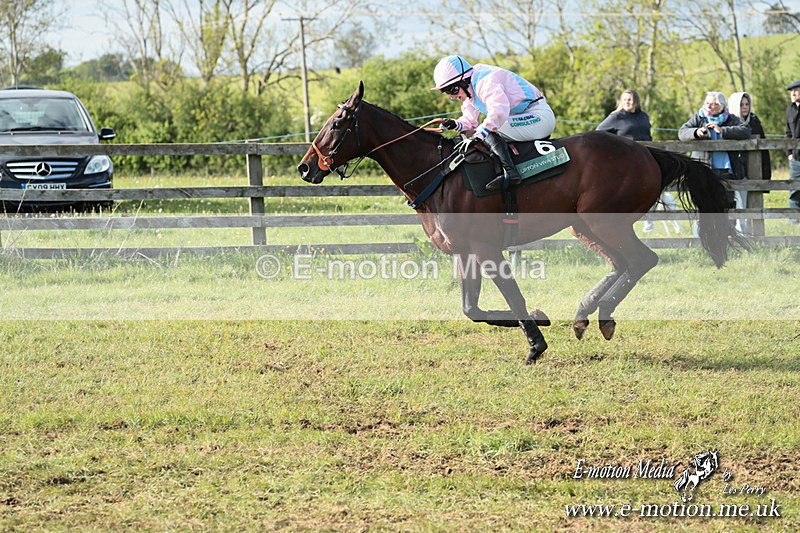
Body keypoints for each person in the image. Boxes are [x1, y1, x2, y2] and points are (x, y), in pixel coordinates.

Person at [432, 55, 556, 191]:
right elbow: (469, 121)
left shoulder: (485, 80)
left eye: (453, 90)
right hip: (521, 118)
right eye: (447, 92)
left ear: (464, 81)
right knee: (482, 130)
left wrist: (478, 134)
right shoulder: (470, 90)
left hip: (539, 116)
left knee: (488, 129)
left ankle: (510, 173)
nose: (452, 96)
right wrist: (454, 124)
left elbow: (498, 112)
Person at [596, 89, 680, 232]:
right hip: (627, 159)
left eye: (630, 99)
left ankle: (653, 220)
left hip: (647, 156)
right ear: (621, 101)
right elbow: (598, 133)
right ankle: (638, 222)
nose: (628, 102)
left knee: (653, 187)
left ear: (636, 101)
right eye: (625, 100)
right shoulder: (616, 117)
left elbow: (648, 136)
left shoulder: (643, 116)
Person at [679, 92, 750, 232]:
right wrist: (696, 132)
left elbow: (745, 131)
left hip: (726, 170)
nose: (710, 106)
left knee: (727, 204)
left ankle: (727, 235)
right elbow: (682, 133)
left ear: (722, 106)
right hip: (703, 169)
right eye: (708, 103)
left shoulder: (731, 119)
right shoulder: (699, 118)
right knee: (703, 203)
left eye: (714, 104)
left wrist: (722, 130)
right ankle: (700, 238)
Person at [728, 91, 772, 234]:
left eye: (747, 104)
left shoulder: (754, 121)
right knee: (733, 204)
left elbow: (763, 148)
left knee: (747, 204)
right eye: (741, 105)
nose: (745, 107)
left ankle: (747, 236)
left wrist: (765, 174)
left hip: (751, 169)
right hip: (732, 169)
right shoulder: (728, 121)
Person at [785, 80, 800, 223]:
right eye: (792, 91)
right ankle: (794, 222)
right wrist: (789, 153)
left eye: (796, 90)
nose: (793, 93)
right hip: (795, 158)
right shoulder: (790, 110)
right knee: (794, 190)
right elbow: (788, 133)